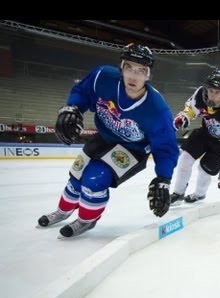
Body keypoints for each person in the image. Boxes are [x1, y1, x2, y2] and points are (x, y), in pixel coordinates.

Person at [38, 43, 179, 238]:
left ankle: (87, 219)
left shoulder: (157, 110)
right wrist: (73, 108)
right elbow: (82, 91)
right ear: (121, 66)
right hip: (104, 136)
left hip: (132, 149)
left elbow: (166, 148)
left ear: (148, 75)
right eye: (129, 67)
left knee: (95, 179)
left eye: (141, 71)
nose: (133, 75)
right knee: (77, 172)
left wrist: (163, 178)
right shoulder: (102, 77)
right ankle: (64, 210)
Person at [170, 68, 220, 204]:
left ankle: (199, 194)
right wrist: (183, 117)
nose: (212, 95)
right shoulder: (201, 93)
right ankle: (178, 193)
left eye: (217, 92)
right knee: (184, 160)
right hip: (205, 134)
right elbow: (191, 108)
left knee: (204, 169)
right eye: (210, 90)